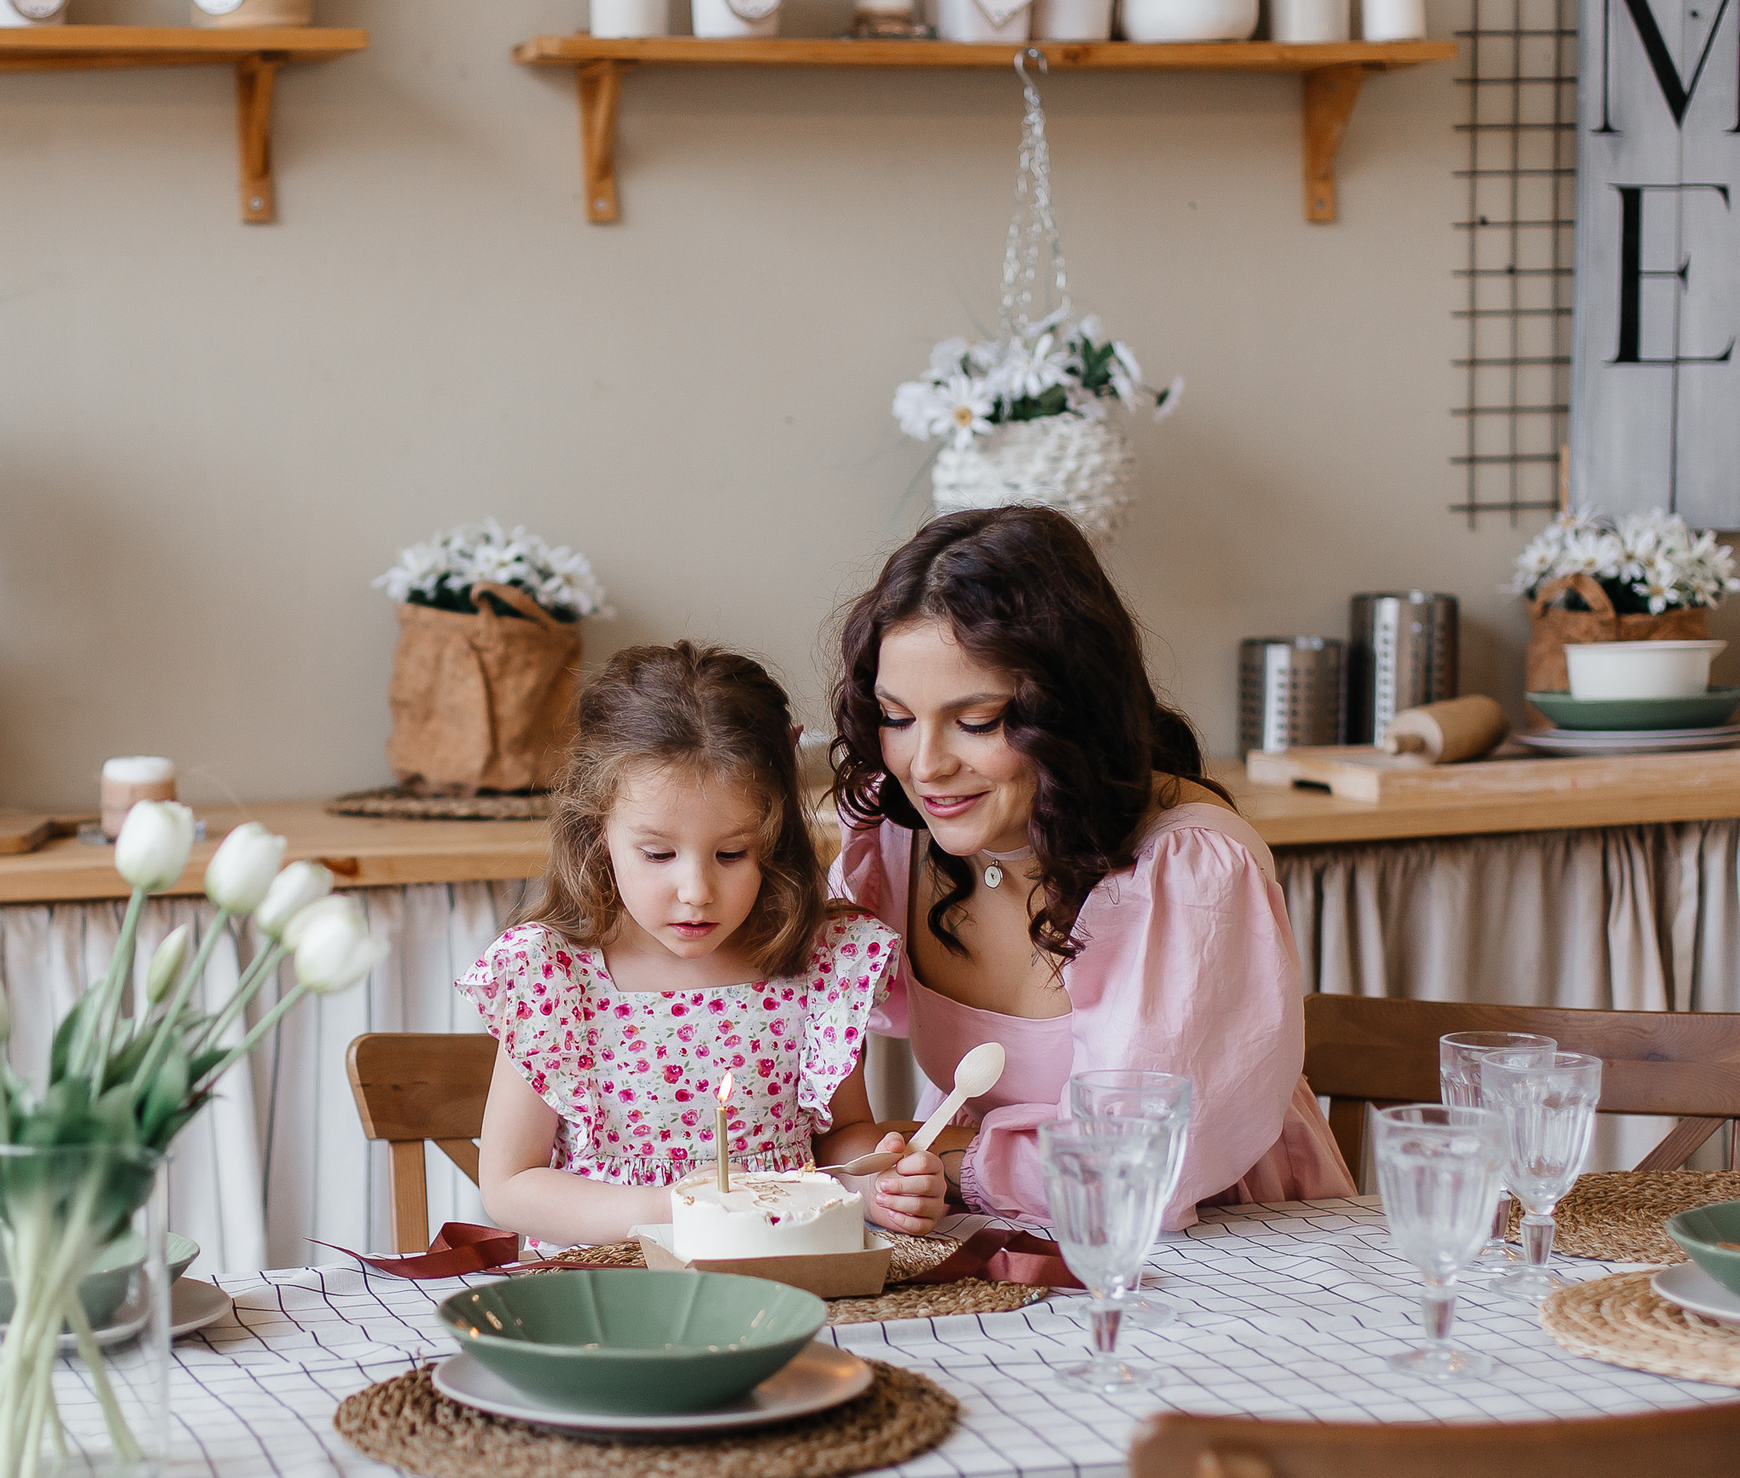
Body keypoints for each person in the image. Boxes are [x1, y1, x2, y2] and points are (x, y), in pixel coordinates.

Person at [828, 507, 1354, 1228]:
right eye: (896, 716)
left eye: (976, 720)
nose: (926, 765)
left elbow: (1129, 1171)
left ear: (1066, 709)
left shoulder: (1185, 868)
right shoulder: (893, 832)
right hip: (1005, 1226)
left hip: (1218, 1240)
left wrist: (954, 1158)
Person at [463, 642, 948, 1247]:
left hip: (782, 1277)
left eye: (731, 853)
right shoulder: (553, 979)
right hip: (613, 1286)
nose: (696, 891)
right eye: (658, 854)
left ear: (771, 834)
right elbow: (510, 1183)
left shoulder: (814, 963)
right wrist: (685, 1208)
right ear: (597, 831)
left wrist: (877, 1184)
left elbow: (842, 1135)